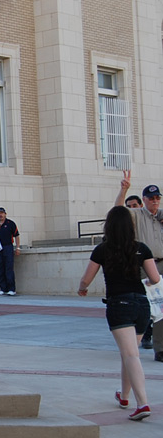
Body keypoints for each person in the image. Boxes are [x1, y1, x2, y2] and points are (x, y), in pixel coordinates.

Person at [78, 205, 159, 421]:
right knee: (129, 352)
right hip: (142, 305)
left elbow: (87, 278)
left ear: (109, 227)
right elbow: (155, 278)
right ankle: (124, 396)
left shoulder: (103, 250)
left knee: (131, 354)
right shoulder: (141, 248)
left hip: (119, 304)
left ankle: (142, 403)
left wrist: (82, 288)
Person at [115, 170, 163, 361]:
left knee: (161, 309)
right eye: (151, 198)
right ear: (145, 200)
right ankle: (136, 342)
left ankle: (160, 348)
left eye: (157, 197)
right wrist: (123, 190)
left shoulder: (161, 215)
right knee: (144, 307)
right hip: (146, 265)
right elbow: (118, 211)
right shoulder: (137, 215)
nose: (155, 201)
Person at [0, 207, 20, 296]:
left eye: (2, 213)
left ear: (5, 214)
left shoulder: (10, 224)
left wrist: (18, 248)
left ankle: (11, 288)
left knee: (9, 268)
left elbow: (17, 235)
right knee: (0, 268)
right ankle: (3, 288)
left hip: (8, 247)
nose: (0, 215)